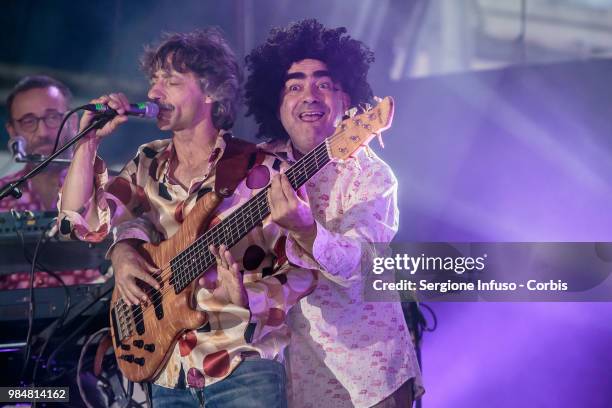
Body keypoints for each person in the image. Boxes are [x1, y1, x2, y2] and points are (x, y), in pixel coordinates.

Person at [58, 28, 316, 407]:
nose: (153, 93)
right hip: (167, 371)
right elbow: (80, 223)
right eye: (154, 80)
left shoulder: (263, 171)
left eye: (171, 81)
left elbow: (304, 269)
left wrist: (248, 299)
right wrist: (87, 143)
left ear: (211, 91)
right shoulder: (146, 164)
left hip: (242, 365)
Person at [245, 19, 425, 407]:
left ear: (347, 101)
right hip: (294, 373)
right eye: (294, 86)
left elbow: (359, 263)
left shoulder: (373, 175)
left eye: (323, 85)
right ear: (275, 104)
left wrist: (307, 231)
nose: (308, 96)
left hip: (368, 375)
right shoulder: (259, 169)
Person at [0, 75, 103, 289]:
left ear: (72, 122)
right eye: (29, 121)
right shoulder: (3, 195)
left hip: (97, 319)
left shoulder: (103, 187)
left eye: (53, 117)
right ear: (12, 131)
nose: (43, 132)